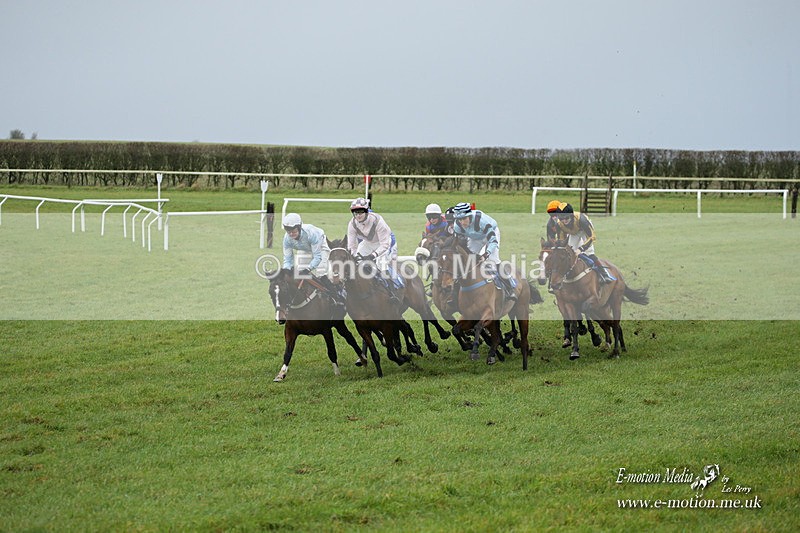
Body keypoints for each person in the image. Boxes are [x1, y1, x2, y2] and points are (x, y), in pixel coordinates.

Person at [451, 201, 517, 301]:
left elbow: (493, 241)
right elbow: (457, 243)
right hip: (475, 238)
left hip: (491, 235)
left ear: (469, 216)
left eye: (464, 219)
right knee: (468, 259)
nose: (462, 222)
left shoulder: (482, 221)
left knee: (493, 259)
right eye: (459, 220)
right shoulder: (457, 226)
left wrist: (485, 254)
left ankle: (510, 288)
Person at [281, 213, 346, 306]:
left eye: (294, 231)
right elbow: (287, 259)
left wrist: (308, 269)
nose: (291, 234)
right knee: (299, 273)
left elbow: (317, 257)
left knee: (320, 273)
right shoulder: (287, 239)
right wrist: (286, 272)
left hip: (320, 248)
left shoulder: (311, 233)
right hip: (305, 250)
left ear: (299, 227)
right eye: (288, 231)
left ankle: (337, 297)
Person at [346, 197, 402, 303]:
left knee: (381, 264)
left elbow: (385, 244)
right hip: (368, 243)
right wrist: (354, 256)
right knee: (356, 261)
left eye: (360, 212)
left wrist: (373, 256)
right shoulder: (352, 224)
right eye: (355, 213)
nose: (358, 215)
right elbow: (351, 246)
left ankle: (392, 293)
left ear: (366, 211)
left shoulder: (377, 221)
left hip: (387, 243)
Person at [555, 203, 616, 283]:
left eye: (566, 218)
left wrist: (581, 249)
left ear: (571, 215)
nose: (564, 221)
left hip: (585, 231)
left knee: (589, 253)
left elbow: (592, 237)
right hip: (573, 233)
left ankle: (604, 274)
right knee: (568, 252)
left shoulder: (582, 220)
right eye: (561, 218)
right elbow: (561, 241)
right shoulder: (559, 224)